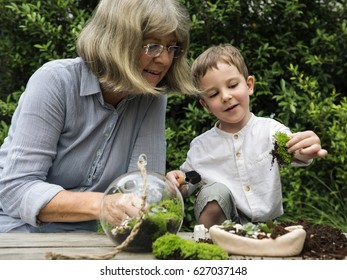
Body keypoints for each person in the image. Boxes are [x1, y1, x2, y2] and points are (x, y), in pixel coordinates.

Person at [0, 0, 197, 233]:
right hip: (18, 231)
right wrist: (102, 205)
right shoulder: (54, 82)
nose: (164, 60)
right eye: (152, 46)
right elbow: (15, 189)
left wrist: (165, 189)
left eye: (172, 48)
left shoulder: (151, 97)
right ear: (117, 42)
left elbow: (142, 188)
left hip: (93, 238)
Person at [167, 44, 328, 229]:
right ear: (206, 105)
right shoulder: (202, 146)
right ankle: (212, 245)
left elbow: (292, 150)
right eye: (214, 94)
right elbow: (191, 179)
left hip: (268, 227)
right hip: (225, 227)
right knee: (212, 192)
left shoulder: (270, 131)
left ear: (249, 85)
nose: (226, 96)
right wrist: (177, 181)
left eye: (233, 85)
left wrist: (304, 149)